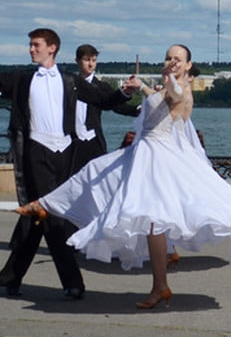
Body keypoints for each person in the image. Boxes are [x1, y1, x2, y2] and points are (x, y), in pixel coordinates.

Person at [17, 45, 231, 308]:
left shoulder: (182, 89)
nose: (172, 61)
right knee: (97, 175)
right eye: (168, 57)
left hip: (157, 157)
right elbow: (157, 100)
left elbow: (175, 96)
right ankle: (45, 206)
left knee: (149, 219)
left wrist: (164, 83)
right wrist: (146, 86)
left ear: (188, 65)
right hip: (143, 152)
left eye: (178, 59)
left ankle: (159, 286)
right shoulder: (164, 87)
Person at [1, 28, 138, 299]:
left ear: (52, 48)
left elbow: (104, 99)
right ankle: (72, 282)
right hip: (35, 152)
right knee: (50, 214)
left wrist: (124, 91)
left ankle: (10, 278)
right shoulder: (21, 78)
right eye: (30, 45)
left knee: (38, 216)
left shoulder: (70, 81)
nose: (31, 49)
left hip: (64, 152)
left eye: (36, 45)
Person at [70, 43, 140, 173]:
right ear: (77, 61)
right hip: (70, 143)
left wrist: (138, 109)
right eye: (87, 60)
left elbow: (117, 106)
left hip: (93, 142)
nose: (91, 64)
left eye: (94, 60)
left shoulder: (101, 87)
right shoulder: (68, 84)